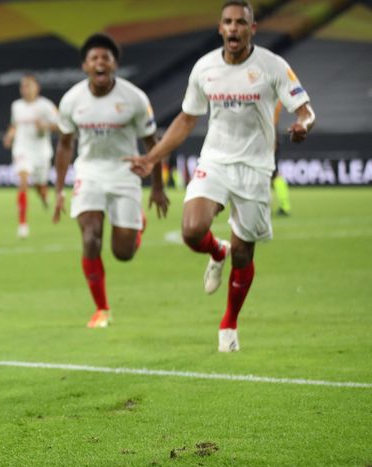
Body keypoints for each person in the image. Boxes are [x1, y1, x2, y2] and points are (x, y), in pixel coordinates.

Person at [127, 0, 315, 351]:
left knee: (243, 254)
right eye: (228, 22)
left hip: (255, 168)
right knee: (191, 230)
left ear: (252, 29)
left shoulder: (272, 66)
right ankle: (216, 252)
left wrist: (303, 124)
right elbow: (187, 118)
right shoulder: (204, 68)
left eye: (241, 22)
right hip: (215, 159)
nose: (233, 28)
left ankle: (229, 322)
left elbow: (305, 110)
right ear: (220, 28)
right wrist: (152, 158)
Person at [52, 33, 169, 328]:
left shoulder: (134, 98)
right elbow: (65, 145)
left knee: (123, 253)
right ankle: (101, 309)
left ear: (115, 64)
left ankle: (137, 223)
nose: (100, 63)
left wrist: (157, 187)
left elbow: (152, 143)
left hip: (125, 173)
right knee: (90, 238)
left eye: (106, 57)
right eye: (94, 58)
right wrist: (59, 191)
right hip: (89, 172)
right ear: (85, 66)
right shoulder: (72, 100)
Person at [3, 74, 59, 238]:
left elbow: (60, 124)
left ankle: (44, 196)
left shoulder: (46, 105)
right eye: (23, 86)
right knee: (23, 181)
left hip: (41, 152)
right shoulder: (16, 106)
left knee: (40, 186)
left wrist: (46, 126)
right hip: (22, 149)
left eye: (28, 86)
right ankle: (22, 224)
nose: (25, 89)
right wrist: (9, 135)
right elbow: (14, 125)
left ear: (37, 88)